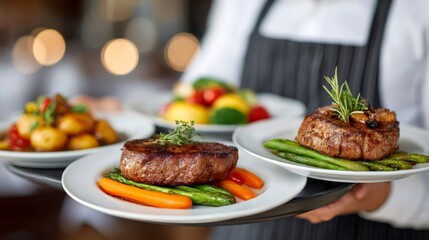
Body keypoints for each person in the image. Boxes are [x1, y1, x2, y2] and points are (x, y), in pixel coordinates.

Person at [179, 0, 429, 239]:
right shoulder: (243, 3)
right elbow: (197, 100)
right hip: (246, 217)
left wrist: (383, 195)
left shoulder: (418, 9)